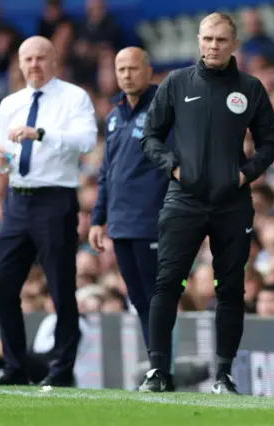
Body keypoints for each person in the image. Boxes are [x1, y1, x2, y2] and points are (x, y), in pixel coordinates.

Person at [138, 12, 274, 394]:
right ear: (198, 41)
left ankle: (224, 374)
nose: (213, 46)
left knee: (230, 289)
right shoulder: (176, 82)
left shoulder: (250, 88)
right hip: (183, 199)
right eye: (207, 39)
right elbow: (150, 136)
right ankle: (157, 371)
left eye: (220, 40)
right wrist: (173, 167)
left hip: (232, 204)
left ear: (234, 45)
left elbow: (269, 143)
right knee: (167, 283)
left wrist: (245, 174)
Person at [0, 36, 97, 387]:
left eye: (40, 58)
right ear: (19, 63)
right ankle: (15, 368)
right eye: (27, 59)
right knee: (2, 287)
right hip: (17, 200)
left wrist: (41, 133)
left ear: (54, 60)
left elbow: (87, 140)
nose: (34, 65)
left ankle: (61, 371)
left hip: (55, 199)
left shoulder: (74, 97)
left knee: (61, 288)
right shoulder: (11, 103)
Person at [89, 47, 169, 350]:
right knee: (138, 299)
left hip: (152, 221)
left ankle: (163, 368)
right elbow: (107, 169)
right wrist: (98, 219)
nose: (127, 75)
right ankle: (157, 369)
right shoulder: (114, 116)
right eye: (121, 69)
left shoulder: (165, 110)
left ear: (148, 71)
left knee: (155, 298)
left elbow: (175, 165)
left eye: (133, 68)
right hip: (120, 224)